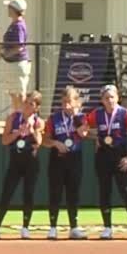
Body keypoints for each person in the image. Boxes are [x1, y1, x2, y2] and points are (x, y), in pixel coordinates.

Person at [85, 84, 127, 241]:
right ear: (102, 100)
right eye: (106, 98)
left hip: (119, 156)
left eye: (112, 97)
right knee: (104, 191)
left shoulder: (124, 113)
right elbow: (83, 128)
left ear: (118, 98)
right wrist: (96, 138)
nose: (110, 100)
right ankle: (107, 228)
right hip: (102, 156)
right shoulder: (97, 113)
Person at [0, 90, 43, 238]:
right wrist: (18, 132)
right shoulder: (13, 118)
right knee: (7, 193)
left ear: (36, 107)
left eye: (31, 104)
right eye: (26, 102)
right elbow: (4, 140)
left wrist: (31, 130)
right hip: (15, 160)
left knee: (28, 194)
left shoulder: (38, 121)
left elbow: (39, 142)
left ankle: (25, 227)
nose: (26, 106)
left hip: (31, 161)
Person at [42, 85, 88, 240]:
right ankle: (53, 227)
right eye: (64, 102)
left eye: (70, 101)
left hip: (75, 158)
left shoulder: (81, 118)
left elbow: (84, 133)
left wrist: (75, 117)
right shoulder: (54, 118)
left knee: (73, 193)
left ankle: (73, 227)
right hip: (57, 159)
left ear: (77, 102)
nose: (66, 105)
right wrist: (56, 143)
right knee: (55, 192)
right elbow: (45, 140)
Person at [0, 0, 30, 117]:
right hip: (12, 63)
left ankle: (22, 117)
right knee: (13, 93)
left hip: (18, 63)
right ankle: (16, 115)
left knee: (19, 93)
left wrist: (6, 53)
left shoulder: (19, 25)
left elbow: (20, 46)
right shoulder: (14, 24)